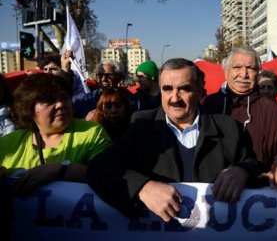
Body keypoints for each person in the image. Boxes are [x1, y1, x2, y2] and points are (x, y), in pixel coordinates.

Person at [87, 58, 262, 222]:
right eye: (168, 89)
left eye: (184, 88)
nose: (175, 98)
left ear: (200, 90)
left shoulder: (229, 127)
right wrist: (142, 187)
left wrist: (242, 171)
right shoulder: (142, 126)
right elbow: (99, 168)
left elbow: (254, 165)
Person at [0, 73, 110, 195]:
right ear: (29, 109)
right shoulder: (8, 143)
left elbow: (107, 175)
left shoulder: (92, 133)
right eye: (49, 100)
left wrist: (61, 170)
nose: (60, 104)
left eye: (64, 98)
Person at [202, 46, 277, 171]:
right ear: (226, 71)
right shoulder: (208, 105)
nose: (244, 74)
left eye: (251, 68)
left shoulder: (271, 109)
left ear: (258, 73)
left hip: (258, 185)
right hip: (212, 186)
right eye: (237, 67)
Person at [73, 59, 137, 119]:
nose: (104, 79)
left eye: (109, 75)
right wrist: (85, 121)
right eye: (100, 75)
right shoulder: (84, 101)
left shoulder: (131, 101)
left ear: (119, 77)